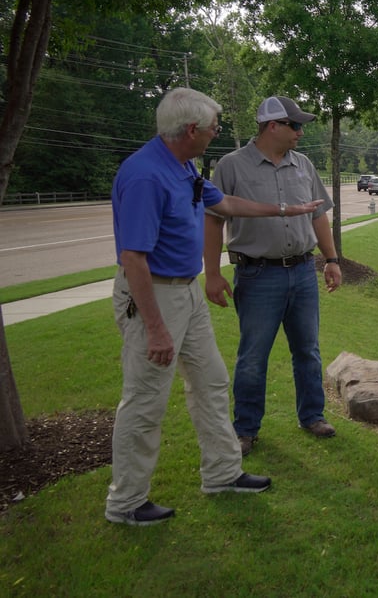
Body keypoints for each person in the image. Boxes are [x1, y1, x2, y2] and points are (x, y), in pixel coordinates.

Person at [107, 87, 323, 526]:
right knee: (146, 399)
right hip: (155, 296)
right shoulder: (146, 175)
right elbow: (133, 259)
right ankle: (126, 502)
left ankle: (223, 474)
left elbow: (224, 204)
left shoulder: (183, 167)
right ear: (191, 130)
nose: (216, 133)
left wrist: (288, 208)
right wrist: (156, 328)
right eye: (212, 128)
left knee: (211, 382)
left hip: (186, 291)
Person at [203, 95, 342, 457]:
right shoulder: (232, 166)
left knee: (308, 351)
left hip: (302, 271)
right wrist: (213, 274)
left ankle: (312, 415)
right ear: (272, 126)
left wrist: (331, 259)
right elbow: (214, 220)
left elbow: (318, 216)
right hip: (257, 276)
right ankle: (245, 429)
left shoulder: (304, 165)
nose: (299, 131)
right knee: (252, 357)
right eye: (294, 125)